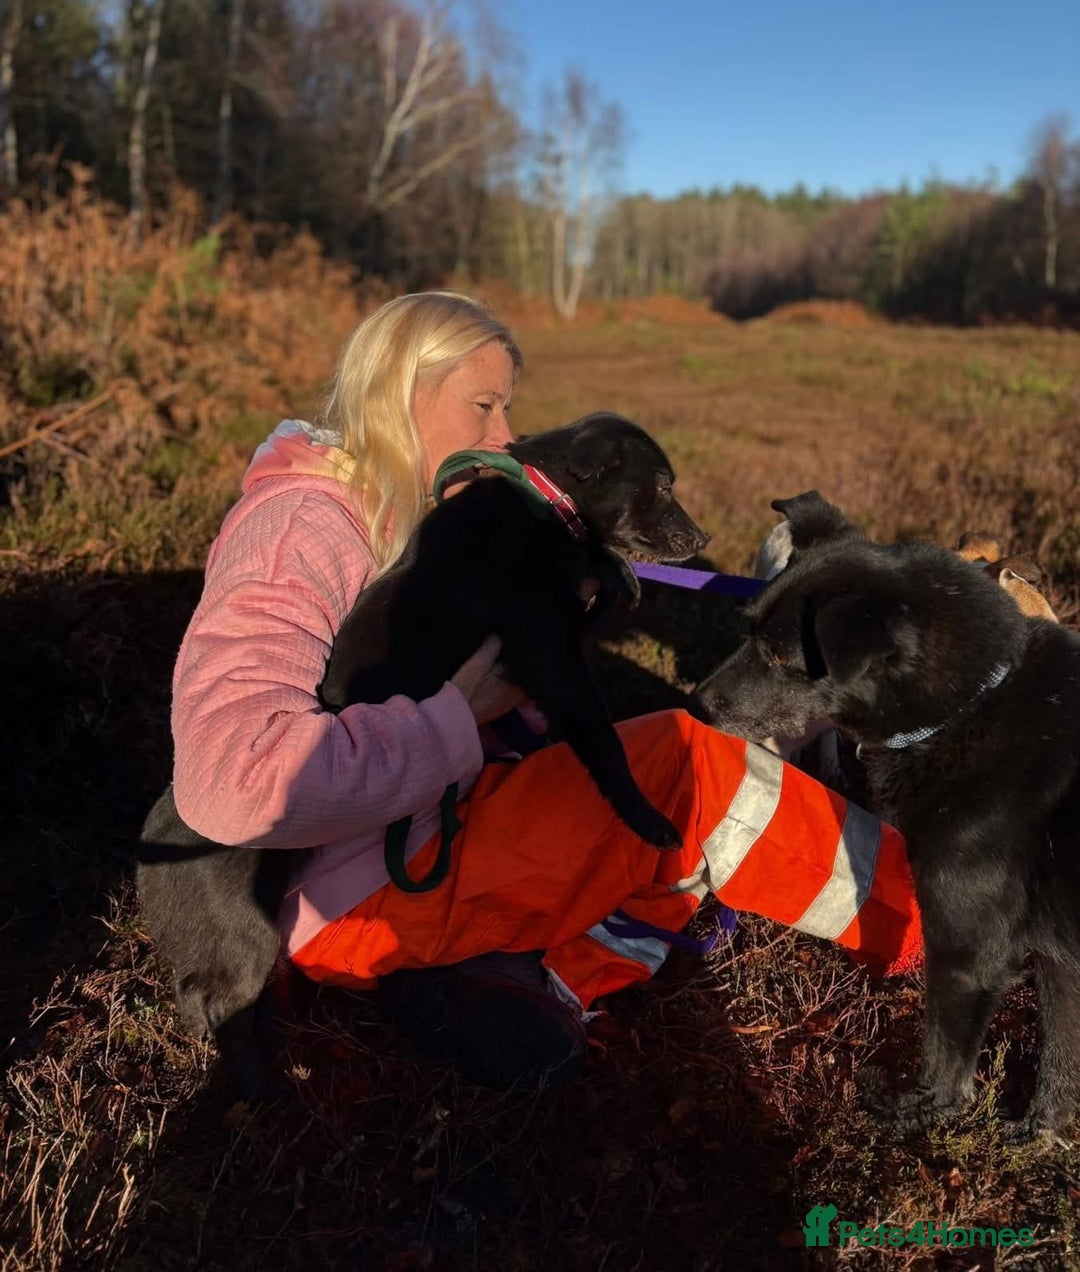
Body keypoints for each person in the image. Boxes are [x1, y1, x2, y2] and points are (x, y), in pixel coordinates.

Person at [171, 291, 923, 1092]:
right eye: (484, 406)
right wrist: (455, 720)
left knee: (642, 800)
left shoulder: (404, 507)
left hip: (398, 863)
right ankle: (940, 926)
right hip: (370, 894)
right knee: (696, 768)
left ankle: (530, 982)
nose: (506, 436)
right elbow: (233, 782)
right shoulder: (304, 529)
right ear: (397, 393)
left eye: (509, 409)